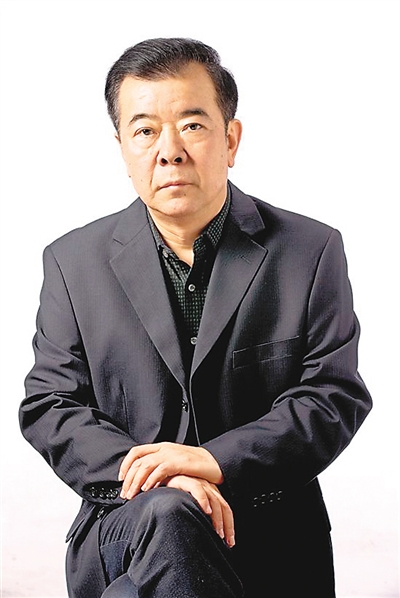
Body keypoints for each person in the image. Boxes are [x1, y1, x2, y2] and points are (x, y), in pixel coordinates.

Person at [20, 37, 372, 598]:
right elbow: (50, 405)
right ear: (122, 148)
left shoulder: (309, 251)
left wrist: (212, 461)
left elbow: (332, 396)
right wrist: (164, 479)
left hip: (270, 531)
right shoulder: (72, 262)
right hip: (129, 522)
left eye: (191, 125)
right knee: (168, 512)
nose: (169, 151)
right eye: (144, 131)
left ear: (230, 139)